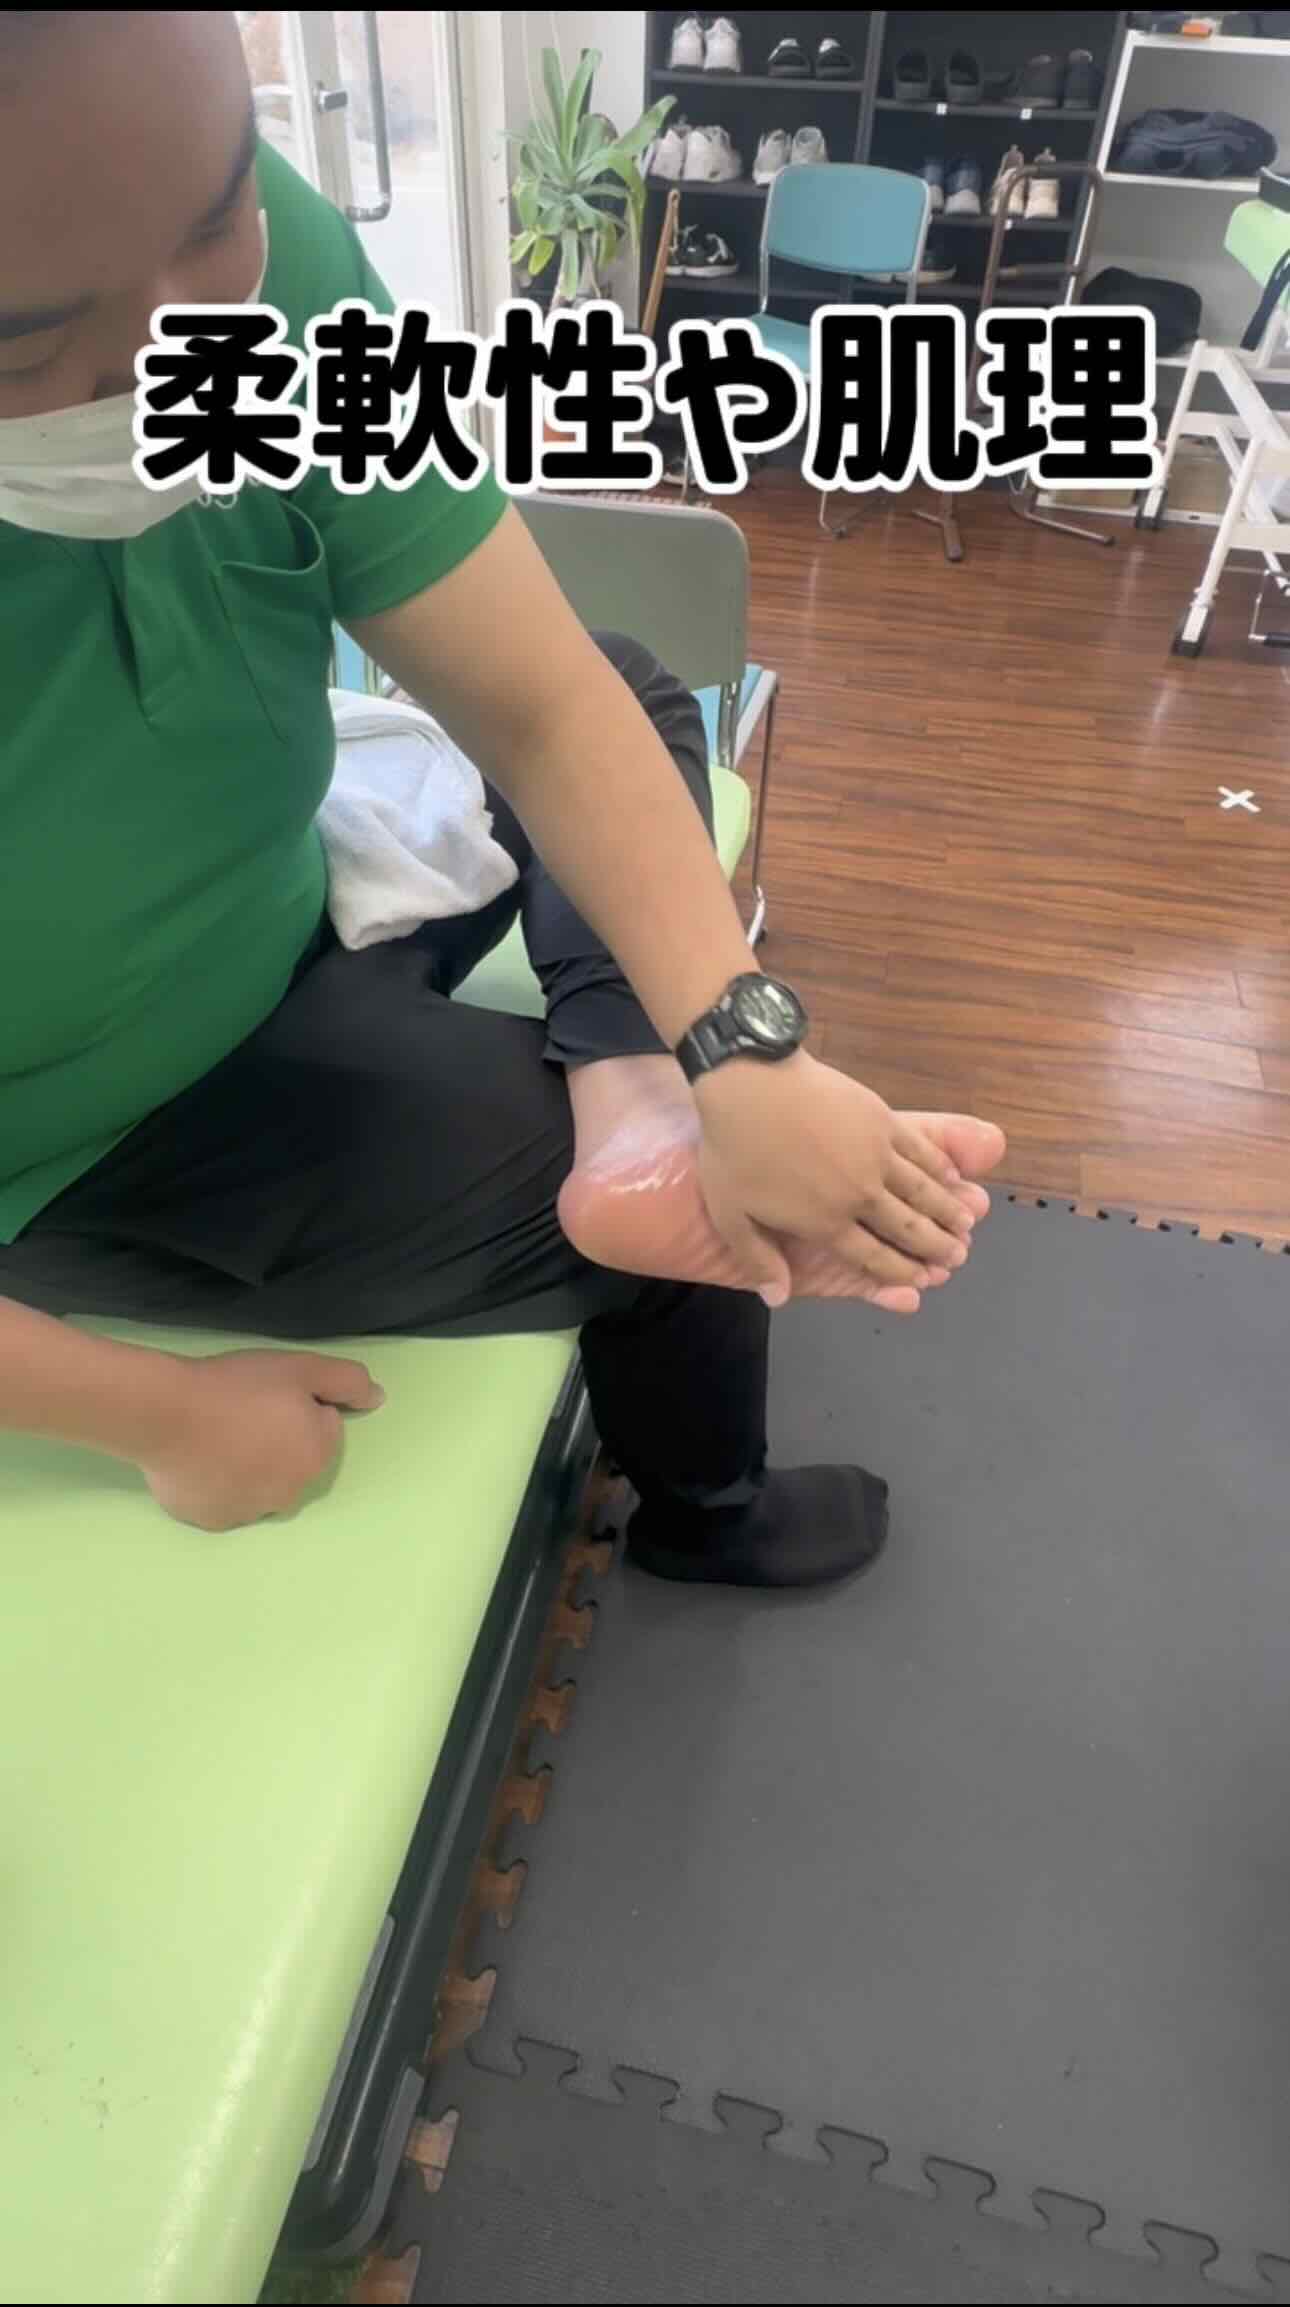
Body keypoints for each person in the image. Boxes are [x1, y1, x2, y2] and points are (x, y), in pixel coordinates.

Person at [0, 11, 1005, 1585]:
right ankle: (708, 1516)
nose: (177, 342)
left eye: (215, 223)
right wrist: (161, 1416)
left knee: (624, 685)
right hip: (107, 1123)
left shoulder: (236, 231)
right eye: (27, 341)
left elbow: (541, 701)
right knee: (685, 1237)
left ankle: (631, 1095)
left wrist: (731, 1045)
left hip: (291, 873)